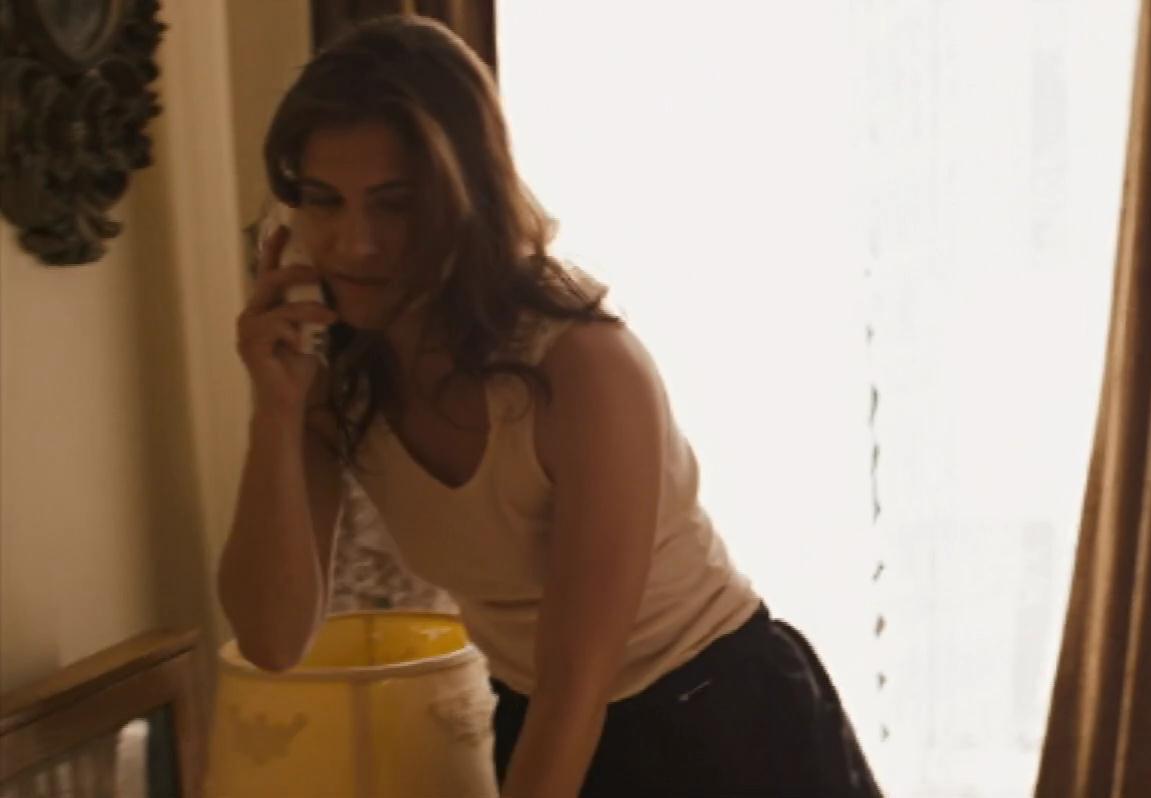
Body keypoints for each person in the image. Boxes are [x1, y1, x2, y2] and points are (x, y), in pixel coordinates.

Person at [217, 15, 879, 798]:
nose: (354, 244)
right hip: (538, 711)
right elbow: (272, 639)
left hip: (717, 722)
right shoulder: (339, 371)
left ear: (466, 201)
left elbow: (576, 689)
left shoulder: (583, 368)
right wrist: (276, 410)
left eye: (394, 205)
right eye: (324, 202)